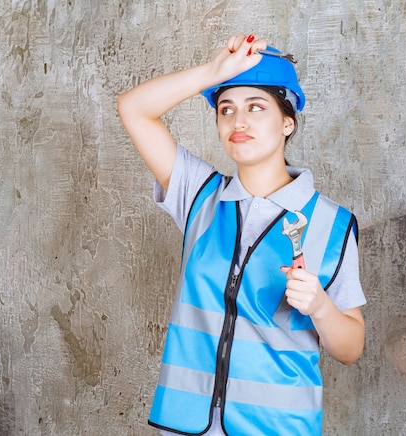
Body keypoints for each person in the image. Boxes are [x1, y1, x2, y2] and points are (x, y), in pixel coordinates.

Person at [118, 33, 366, 436]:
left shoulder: (330, 223)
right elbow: (133, 109)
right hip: (185, 424)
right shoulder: (200, 197)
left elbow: (351, 347)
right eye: (226, 109)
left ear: (288, 121)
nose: (239, 122)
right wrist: (213, 73)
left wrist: (319, 305)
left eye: (256, 107)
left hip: (276, 427)